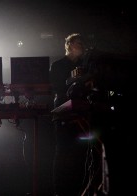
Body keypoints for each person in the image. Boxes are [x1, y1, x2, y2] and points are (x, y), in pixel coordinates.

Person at [49, 33, 103, 196]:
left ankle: (82, 189)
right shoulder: (58, 65)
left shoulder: (86, 65)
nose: (83, 46)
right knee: (63, 151)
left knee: (82, 152)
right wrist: (72, 82)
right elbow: (57, 88)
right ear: (70, 45)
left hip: (83, 111)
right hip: (64, 112)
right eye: (79, 43)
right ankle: (60, 190)